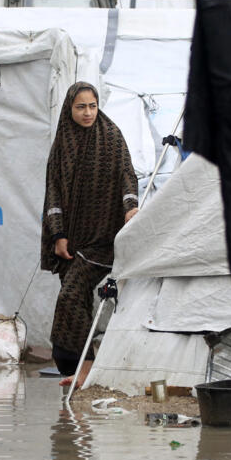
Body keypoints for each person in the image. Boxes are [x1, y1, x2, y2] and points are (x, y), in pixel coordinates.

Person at [41, 82, 139, 387]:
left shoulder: (111, 136)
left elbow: (127, 175)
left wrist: (131, 207)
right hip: (72, 239)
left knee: (70, 294)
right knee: (78, 300)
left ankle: (82, 367)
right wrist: (58, 235)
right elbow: (54, 190)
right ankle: (83, 369)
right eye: (81, 107)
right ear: (70, 109)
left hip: (104, 238)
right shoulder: (63, 143)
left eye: (92, 106)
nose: (87, 113)